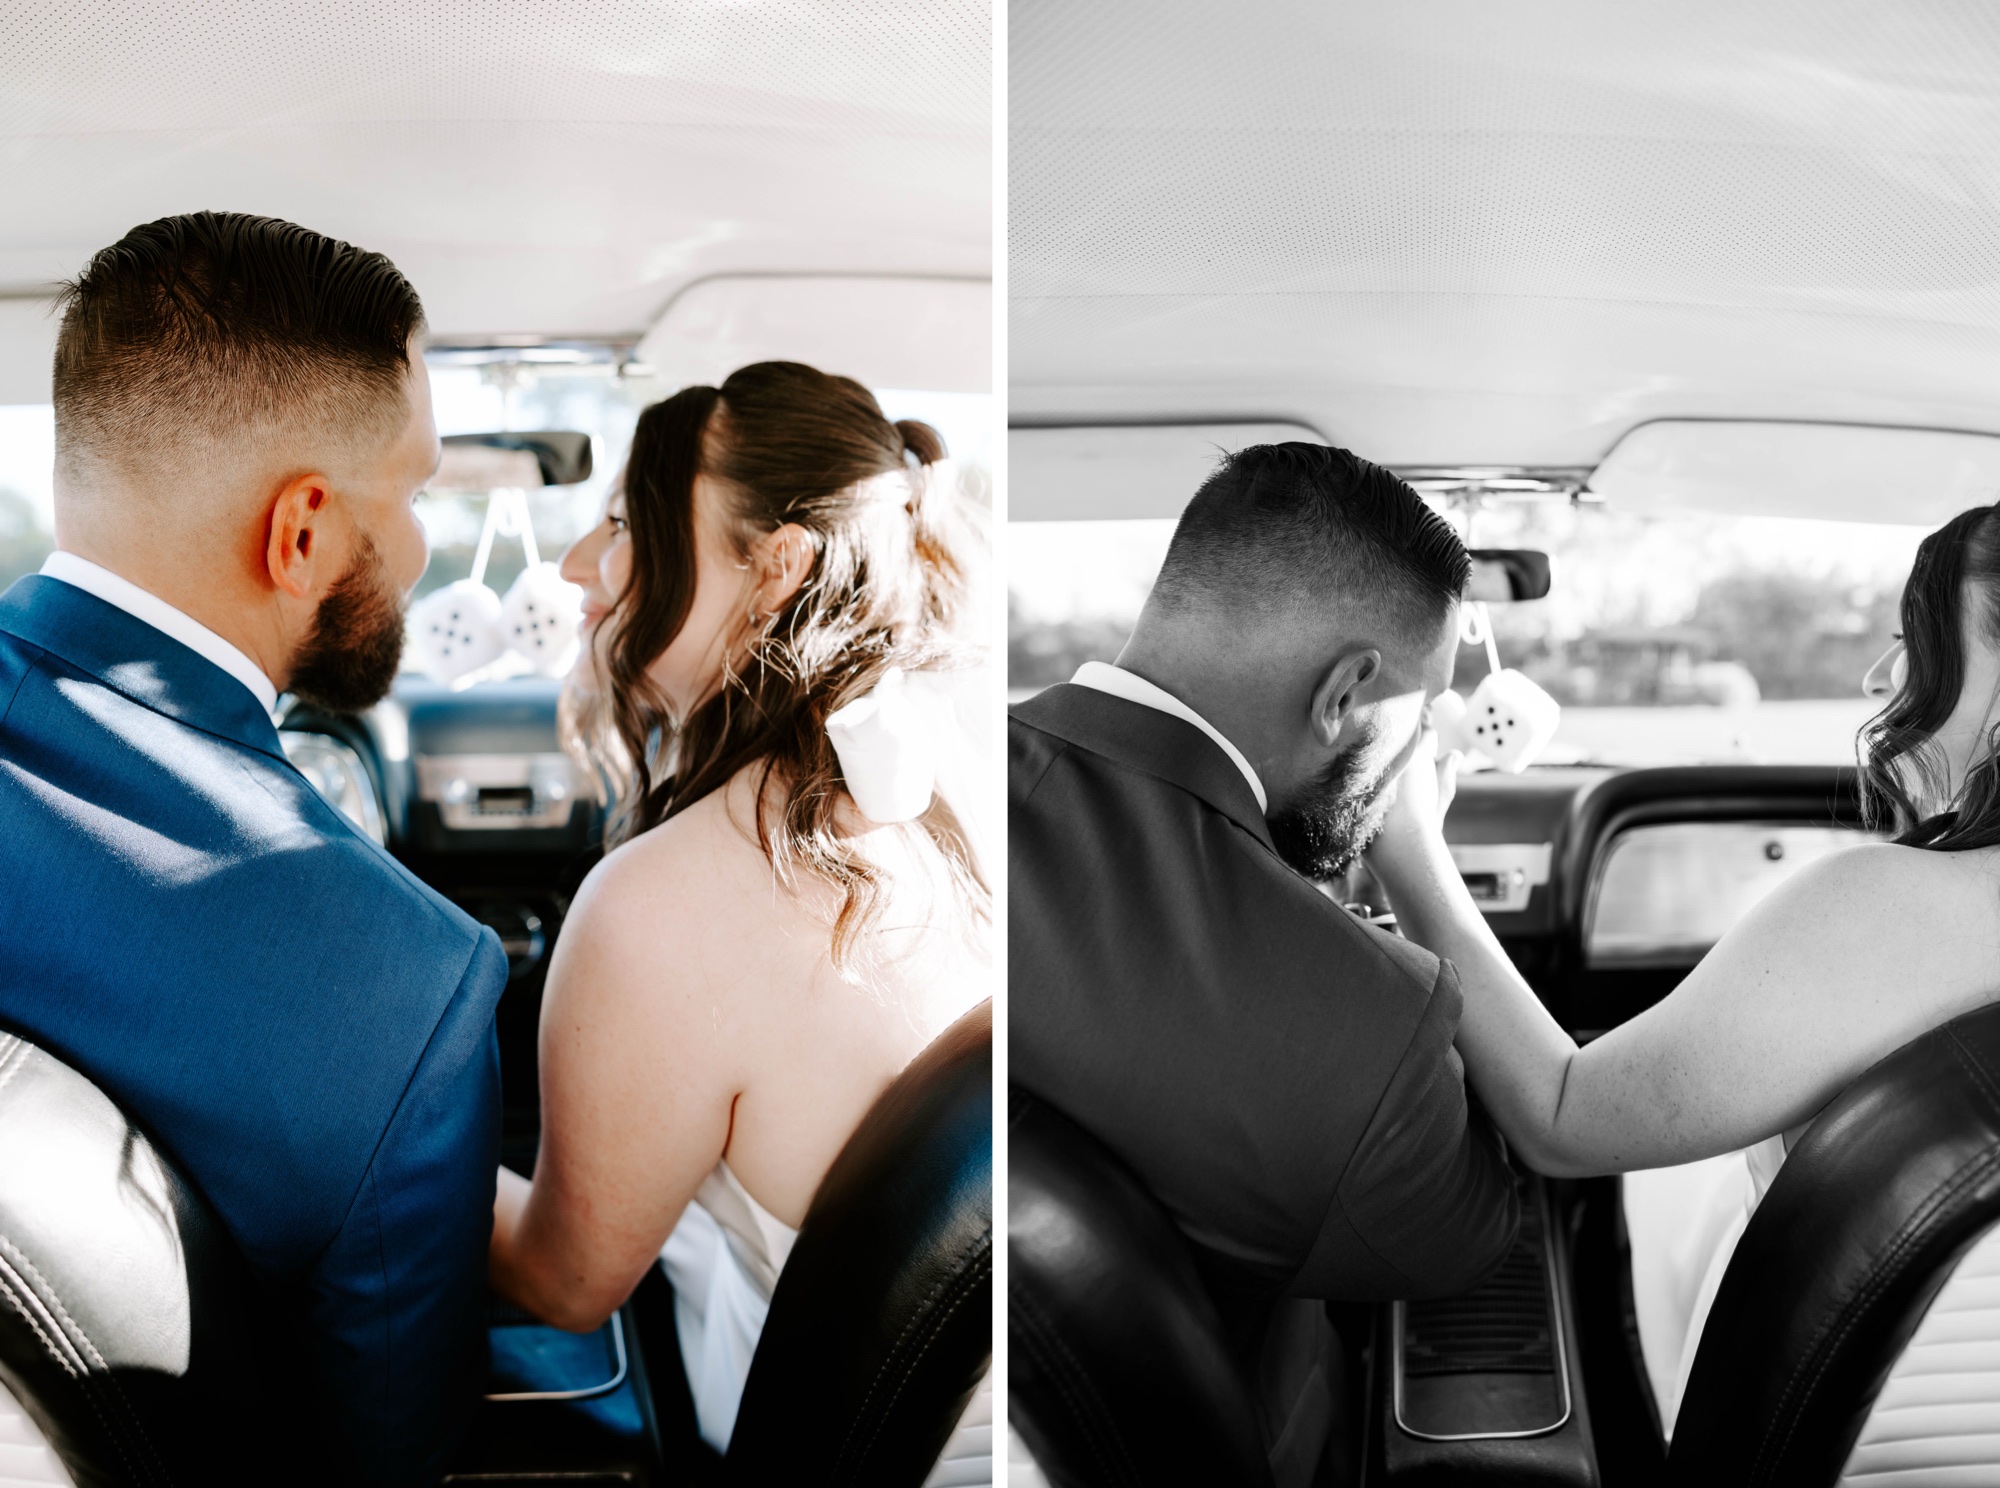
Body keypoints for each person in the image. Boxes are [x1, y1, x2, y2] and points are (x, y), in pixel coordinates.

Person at [0, 213, 507, 1481]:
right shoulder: (402, 986)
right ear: (303, 533)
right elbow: (389, 1451)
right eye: (417, 492)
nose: (421, 543)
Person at [1361, 500, 2000, 1440]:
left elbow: (1561, 1116)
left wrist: (1406, 836)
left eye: (1916, 642)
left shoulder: (1892, 906)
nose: (1879, 678)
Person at [485, 362, 994, 1471]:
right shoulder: (945, 800)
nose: (576, 565)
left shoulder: (664, 902)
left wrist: (380, 1145)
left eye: (624, 523)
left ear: (776, 568)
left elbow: (564, 1284)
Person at [1009, 442, 1520, 1488]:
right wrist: (1415, 855)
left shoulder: (918, 792)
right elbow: (1470, 1236)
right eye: (1419, 712)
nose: (1416, 749)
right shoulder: (1363, 1031)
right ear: (1345, 693)